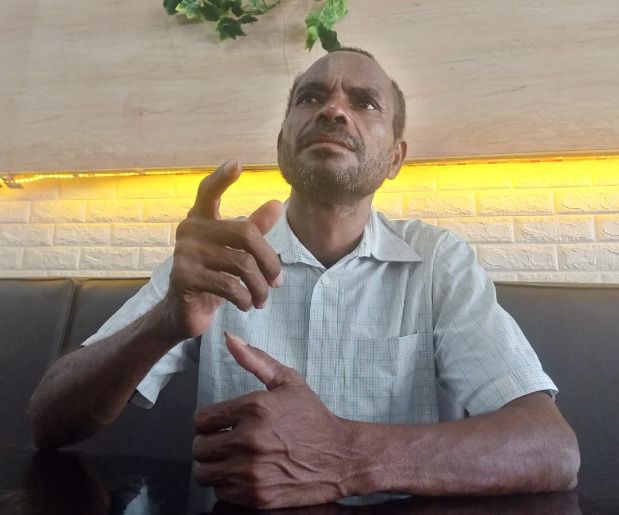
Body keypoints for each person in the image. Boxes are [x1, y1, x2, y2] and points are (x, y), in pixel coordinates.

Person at [29, 48, 580, 509]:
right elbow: (49, 423)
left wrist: (345, 455)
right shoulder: (218, 255)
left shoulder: (438, 261)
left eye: (364, 102)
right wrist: (165, 321)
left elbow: (551, 448)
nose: (334, 110)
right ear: (282, 143)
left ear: (395, 158)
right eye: (311, 97)